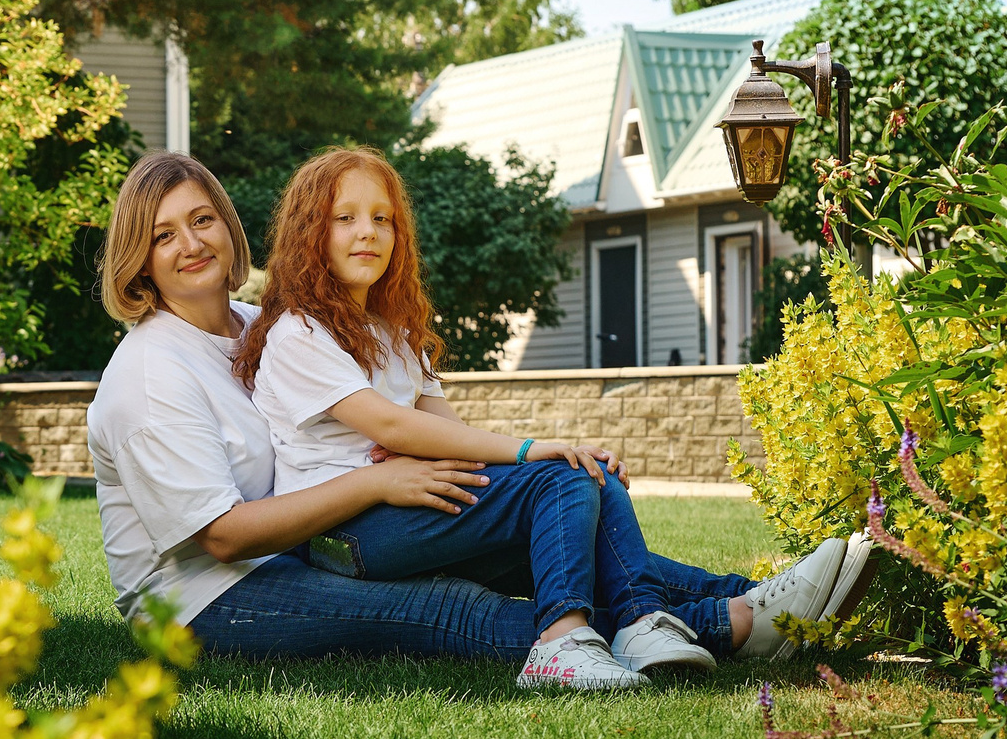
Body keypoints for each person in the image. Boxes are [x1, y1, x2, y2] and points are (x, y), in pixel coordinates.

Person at [84, 151, 872, 688]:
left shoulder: (254, 326)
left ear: (228, 226)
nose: (191, 244)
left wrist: (476, 471)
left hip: (305, 540)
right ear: (137, 258)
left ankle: (765, 603)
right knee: (451, 608)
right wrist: (379, 484)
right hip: (209, 598)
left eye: (202, 220)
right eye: (163, 235)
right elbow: (222, 536)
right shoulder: (153, 373)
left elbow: (402, 416)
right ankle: (733, 622)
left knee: (554, 532)